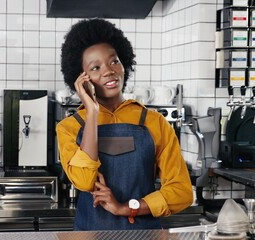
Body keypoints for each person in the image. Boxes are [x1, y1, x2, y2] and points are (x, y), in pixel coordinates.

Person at [56, 19, 193, 231]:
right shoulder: (69, 127)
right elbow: (84, 181)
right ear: (81, 79)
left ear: (124, 64)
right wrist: (92, 112)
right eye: (95, 67)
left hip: (144, 235)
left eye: (114, 61)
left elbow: (182, 191)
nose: (109, 71)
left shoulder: (154, 122)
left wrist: (127, 208)